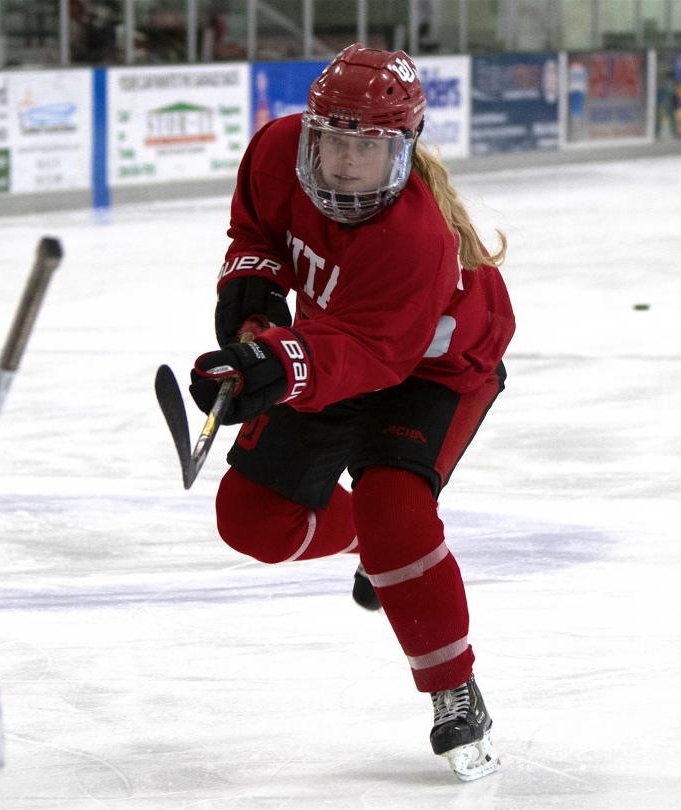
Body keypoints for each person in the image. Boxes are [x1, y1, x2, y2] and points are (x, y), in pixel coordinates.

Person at [187, 44, 515, 781]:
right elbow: (256, 233)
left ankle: (454, 688)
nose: (341, 161)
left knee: (395, 510)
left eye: (366, 146)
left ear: (403, 149)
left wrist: (275, 365)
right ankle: (373, 546)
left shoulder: (416, 239)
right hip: (339, 341)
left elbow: (374, 355)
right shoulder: (278, 151)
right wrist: (253, 302)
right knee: (252, 518)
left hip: (435, 370)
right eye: (330, 137)